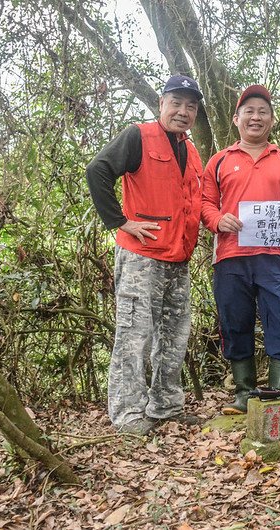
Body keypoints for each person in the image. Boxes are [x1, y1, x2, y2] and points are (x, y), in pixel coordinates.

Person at [86, 74, 205, 435]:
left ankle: (166, 406)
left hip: (178, 259)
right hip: (142, 257)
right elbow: (97, 170)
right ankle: (127, 415)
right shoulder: (139, 135)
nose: (183, 111)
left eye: (191, 106)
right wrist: (120, 221)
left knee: (174, 335)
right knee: (134, 335)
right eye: (177, 103)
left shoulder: (192, 149)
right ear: (161, 103)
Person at [201, 85, 280, 426]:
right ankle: (244, 393)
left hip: (276, 255)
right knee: (235, 322)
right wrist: (218, 219)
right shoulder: (219, 160)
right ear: (237, 119)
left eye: (263, 111)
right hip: (231, 255)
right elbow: (204, 204)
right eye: (249, 111)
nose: (256, 117)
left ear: (271, 119)